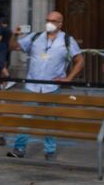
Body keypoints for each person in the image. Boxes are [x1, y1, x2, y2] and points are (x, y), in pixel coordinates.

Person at [9, 10, 83, 160]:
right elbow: (14, 47)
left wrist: (69, 78)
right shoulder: (36, 37)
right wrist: (15, 34)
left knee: (49, 119)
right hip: (32, 86)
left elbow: (80, 60)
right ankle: (19, 148)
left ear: (60, 24)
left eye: (53, 21)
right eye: (47, 19)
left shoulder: (67, 40)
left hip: (51, 87)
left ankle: (50, 150)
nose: (49, 23)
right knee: (26, 117)